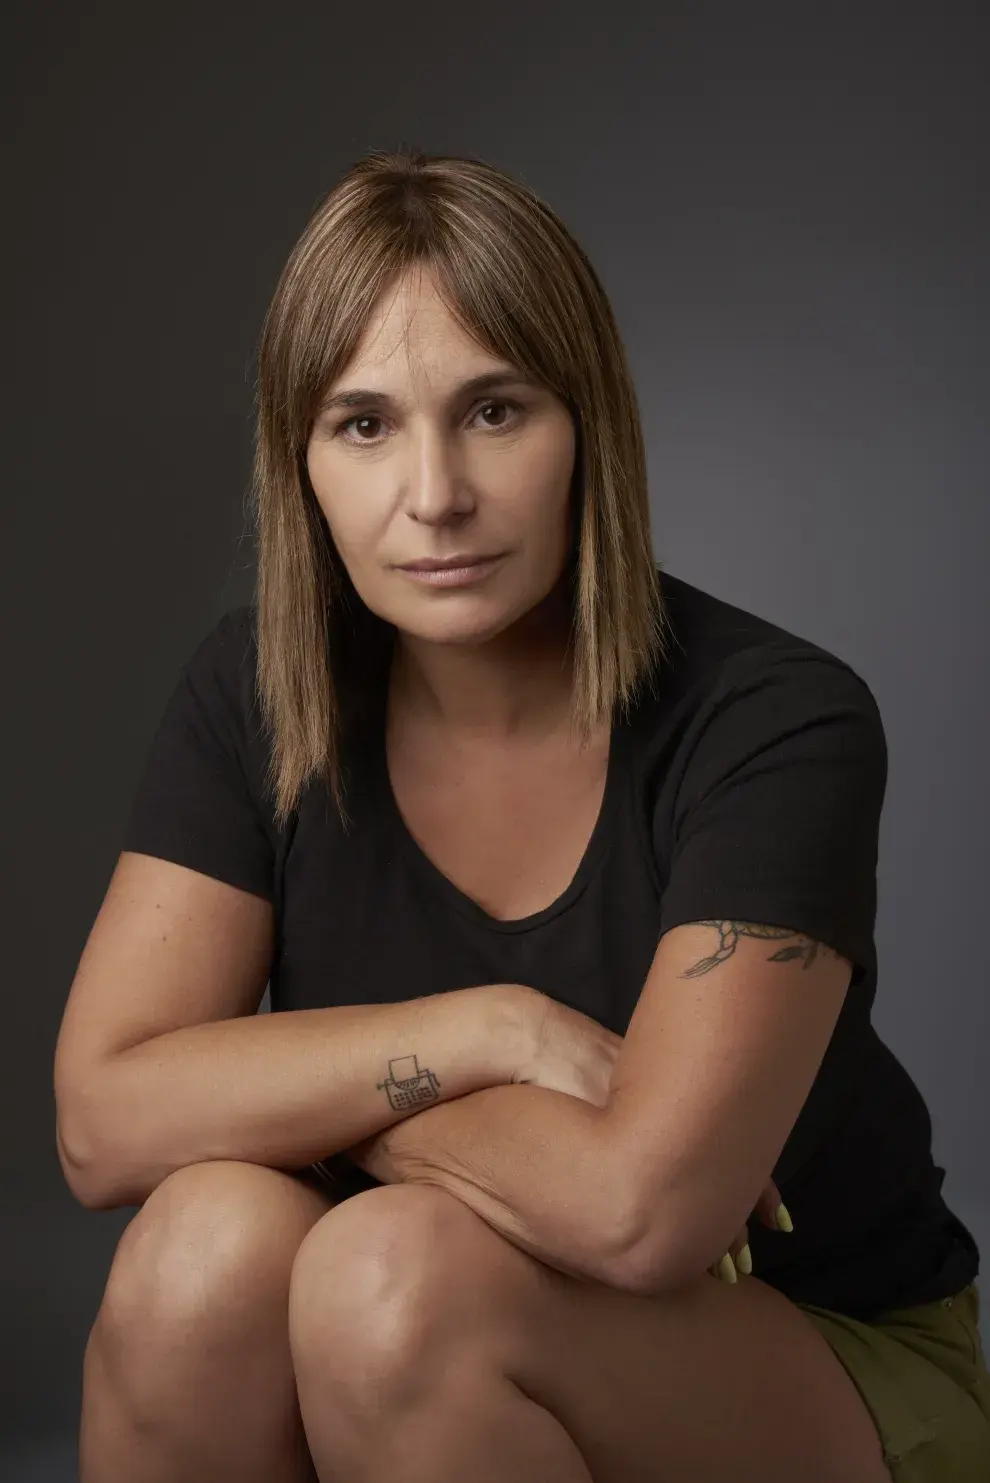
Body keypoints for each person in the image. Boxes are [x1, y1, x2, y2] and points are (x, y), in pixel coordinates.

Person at [54, 149, 989, 1483]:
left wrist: (294, 1098)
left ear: (585, 423)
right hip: (423, 1311)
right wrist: (488, 1033)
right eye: (363, 424)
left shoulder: (775, 719)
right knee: (197, 1255)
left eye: (493, 411)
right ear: (298, 461)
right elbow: (102, 1126)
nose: (434, 494)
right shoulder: (255, 691)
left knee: (386, 1275)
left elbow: (639, 1213)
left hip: (816, 1349)